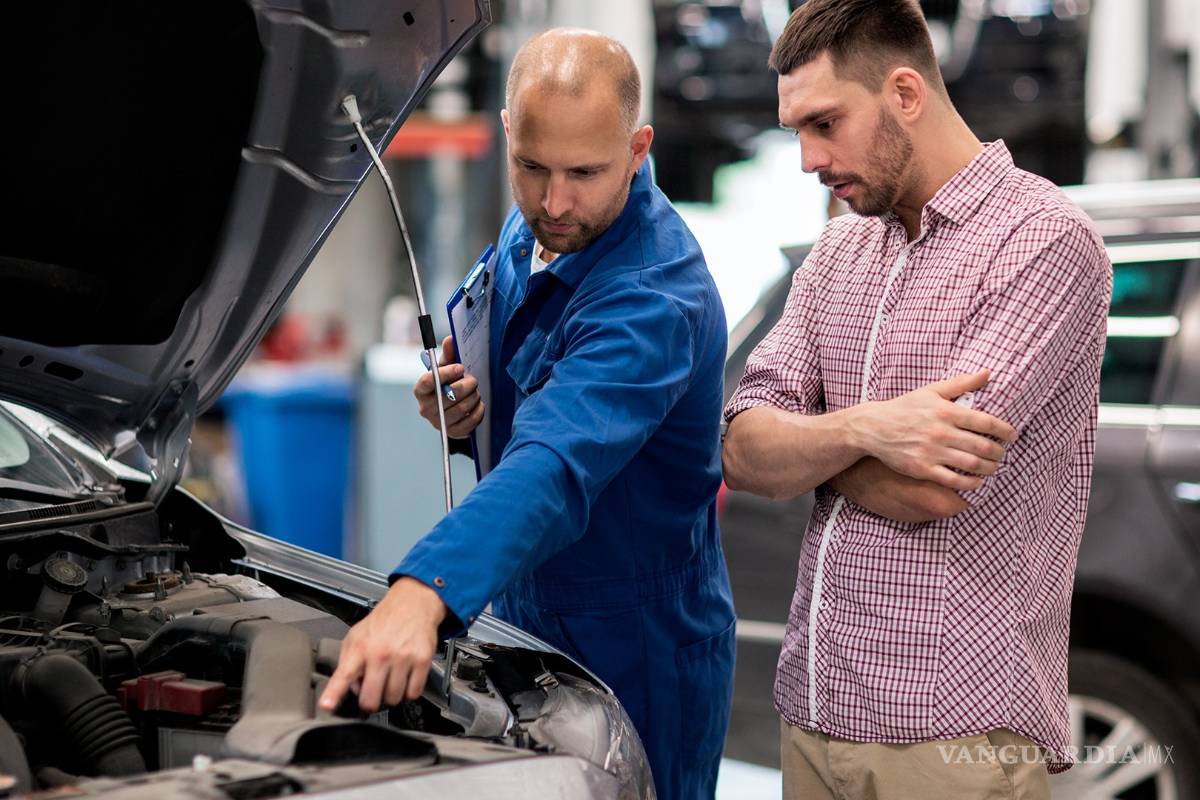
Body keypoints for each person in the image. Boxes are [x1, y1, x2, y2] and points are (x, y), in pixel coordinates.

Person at [319, 28, 735, 800]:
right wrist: (459, 401)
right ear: (510, 132)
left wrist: (423, 590)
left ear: (639, 147)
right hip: (521, 602)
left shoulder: (652, 295)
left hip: (636, 644)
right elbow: (513, 353)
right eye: (532, 167)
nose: (555, 201)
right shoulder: (537, 228)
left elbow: (556, 461)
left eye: (584, 172)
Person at [721, 2, 1112, 799]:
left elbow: (928, 484)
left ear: (904, 93)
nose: (806, 158)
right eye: (796, 129)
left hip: (951, 739)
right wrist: (871, 427)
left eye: (825, 123)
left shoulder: (1040, 240)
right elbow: (741, 447)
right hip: (814, 713)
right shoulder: (839, 250)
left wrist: (810, 453)